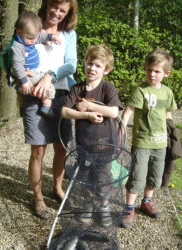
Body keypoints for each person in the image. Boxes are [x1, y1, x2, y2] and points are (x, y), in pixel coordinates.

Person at [21, 0, 78, 219]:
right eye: (54, 7)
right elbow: (11, 55)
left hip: (61, 95)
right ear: (47, 4)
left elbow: (71, 65)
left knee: (62, 147)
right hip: (33, 97)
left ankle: (57, 188)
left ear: (68, 13)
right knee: (38, 150)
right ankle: (37, 198)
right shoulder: (30, 25)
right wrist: (18, 76)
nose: (57, 13)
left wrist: (49, 76)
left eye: (63, 10)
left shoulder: (69, 34)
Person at [61, 45, 123, 227]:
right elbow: (65, 111)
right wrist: (85, 115)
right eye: (89, 63)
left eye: (97, 66)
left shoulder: (107, 88)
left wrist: (89, 106)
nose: (92, 68)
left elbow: (113, 112)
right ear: (84, 63)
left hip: (105, 145)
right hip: (83, 144)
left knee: (104, 177)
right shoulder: (77, 88)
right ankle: (88, 206)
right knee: (85, 177)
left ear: (106, 70)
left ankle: (103, 207)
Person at [120, 49, 177, 228]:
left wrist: (173, 135)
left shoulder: (167, 93)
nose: (152, 74)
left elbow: (168, 114)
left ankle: (146, 202)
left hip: (160, 144)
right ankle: (128, 208)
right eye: (148, 70)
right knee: (137, 175)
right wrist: (121, 129)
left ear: (166, 74)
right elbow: (128, 111)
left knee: (154, 175)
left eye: (157, 71)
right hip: (142, 143)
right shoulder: (140, 91)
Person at [11, 10, 61, 119]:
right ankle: (46, 106)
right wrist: (24, 81)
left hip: (31, 71)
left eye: (34, 38)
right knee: (49, 87)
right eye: (30, 38)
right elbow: (17, 65)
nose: (33, 41)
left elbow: (40, 37)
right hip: (27, 72)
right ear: (19, 32)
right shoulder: (17, 46)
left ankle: (22, 105)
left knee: (39, 84)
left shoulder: (29, 38)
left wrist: (51, 37)